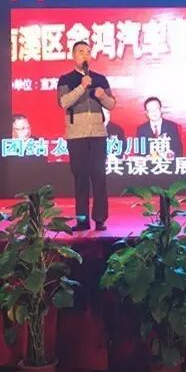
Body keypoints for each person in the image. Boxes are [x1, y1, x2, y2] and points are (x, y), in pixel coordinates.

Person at [57, 41, 115, 232]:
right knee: (80, 179)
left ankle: (100, 219)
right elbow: (63, 102)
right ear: (73, 55)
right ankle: (82, 220)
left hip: (98, 134)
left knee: (99, 177)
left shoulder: (100, 79)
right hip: (76, 136)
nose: (85, 55)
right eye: (81, 52)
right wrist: (82, 87)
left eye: (88, 52)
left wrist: (102, 96)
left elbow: (111, 104)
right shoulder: (66, 79)